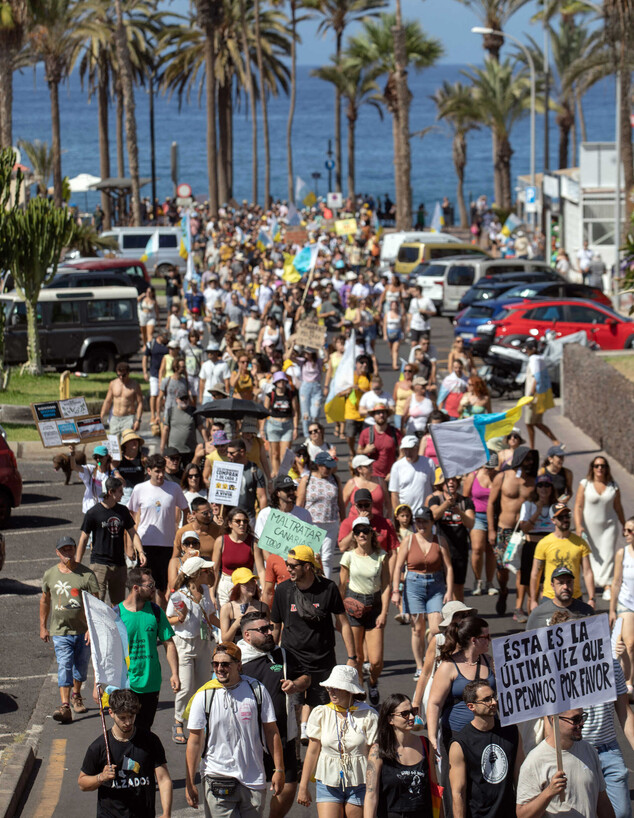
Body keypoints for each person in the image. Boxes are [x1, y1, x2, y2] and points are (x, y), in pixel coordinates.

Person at [549, 610, 634, 818]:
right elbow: (550, 721)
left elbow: (625, 714)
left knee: (621, 812)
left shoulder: (611, 666)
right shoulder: (557, 673)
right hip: (574, 750)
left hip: (608, 751)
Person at [271, 546, 357, 746]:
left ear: (308, 567)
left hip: (323, 662)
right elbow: (276, 626)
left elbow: (343, 623)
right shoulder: (283, 590)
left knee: (323, 713)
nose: (288, 569)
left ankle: (319, 758)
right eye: (287, 565)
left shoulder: (328, 588)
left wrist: (353, 658)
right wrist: (272, 659)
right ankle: (298, 760)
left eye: (293, 566)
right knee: (294, 711)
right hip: (292, 661)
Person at [185, 641, 284, 814]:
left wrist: (279, 769)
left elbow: (272, 732)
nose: (219, 668)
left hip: (253, 779)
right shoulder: (204, 695)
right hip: (216, 777)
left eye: (225, 664)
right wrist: (189, 782)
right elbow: (194, 740)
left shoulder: (257, 690)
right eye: (215, 664)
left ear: (239, 665)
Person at [238, 612, 311, 818]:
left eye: (269, 627)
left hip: (282, 733)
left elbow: (306, 677)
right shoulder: (236, 659)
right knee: (252, 789)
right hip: (249, 738)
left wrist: (296, 684)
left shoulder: (282, 655)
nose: (270, 632)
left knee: (289, 785)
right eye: (263, 630)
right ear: (247, 635)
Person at [297, 665, 378, 817]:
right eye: (329, 688)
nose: (331, 692)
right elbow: (312, 751)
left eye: (337, 688)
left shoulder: (368, 715)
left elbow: (375, 754)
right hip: (328, 782)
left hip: (359, 782)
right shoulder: (321, 713)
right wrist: (303, 786)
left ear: (350, 690)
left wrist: (375, 786)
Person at [78, 688, 173, 818]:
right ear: (111, 713)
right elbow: (82, 783)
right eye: (122, 718)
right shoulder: (98, 747)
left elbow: (163, 779)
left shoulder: (151, 741)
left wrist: (166, 813)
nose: (128, 722)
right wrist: (101, 777)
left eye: (131, 716)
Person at [40, 536, 100, 724]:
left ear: (75, 550)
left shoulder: (87, 575)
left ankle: (76, 694)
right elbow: (45, 600)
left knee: (80, 668)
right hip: (60, 631)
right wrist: (42, 626)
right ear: (57, 552)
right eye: (63, 550)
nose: (67, 553)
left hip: (82, 631)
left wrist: (92, 628)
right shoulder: (50, 574)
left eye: (70, 549)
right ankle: (65, 705)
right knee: (65, 664)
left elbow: (95, 604)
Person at [391, 507, 454, 680]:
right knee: (417, 629)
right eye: (418, 521)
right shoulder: (409, 541)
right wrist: (396, 591)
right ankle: (420, 666)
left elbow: (448, 567)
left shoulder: (439, 541)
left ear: (432, 523)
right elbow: (398, 566)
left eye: (424, 521)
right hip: (413, 586)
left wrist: (449, 590)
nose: (421, 525)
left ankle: (431, 658)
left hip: (435, 586)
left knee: (435, 628)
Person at [516, 709, 613, 818]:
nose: (581, 723)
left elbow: (602, 801)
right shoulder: (534, 761)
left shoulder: (588, 750)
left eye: (582, 717)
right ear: (554, 720)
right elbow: (522, 814)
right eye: (575, 720)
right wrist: (548, 793)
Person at [118, 566, 180, 730]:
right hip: (126, 683)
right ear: (136, 588)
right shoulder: (116, 614)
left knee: (144, 728)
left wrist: (174, 673)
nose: (154, 589)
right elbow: (105, 652)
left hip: (151, 682)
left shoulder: (156, 611)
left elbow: (169, 643)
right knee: (126, 728)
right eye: (150, 585)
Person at [449, 681, 522, 818]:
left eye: (493, 697)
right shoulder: (460, 743)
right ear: (471, 706)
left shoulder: (511, 732)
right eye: (486, 700)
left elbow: (520, 775)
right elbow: (458, 792)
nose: (493, 702)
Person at [426, 616, 494, 761]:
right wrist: (432, 736)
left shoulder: (489, 662)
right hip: (457, 734)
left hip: (488, 731)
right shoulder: (448, 667)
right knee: (456, 781)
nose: (490, 640)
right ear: (474, 640)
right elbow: (434, 703)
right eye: (486, 636)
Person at [166, 555, 218, 745]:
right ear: (196, 574)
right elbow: (168, 618)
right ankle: (178, 721)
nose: (209, 573)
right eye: (205, 570)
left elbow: (211, 616)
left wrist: (230, 630)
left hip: (203, 643)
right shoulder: (178, 595)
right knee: (185, 686)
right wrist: (179, 618)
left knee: (203, 684)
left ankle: (201, 720)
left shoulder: (204, 591)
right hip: (184, 644)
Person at [339, 518, 391, 705]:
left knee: (376, 661)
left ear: (371, 533)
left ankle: (373, 682)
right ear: (354, 535)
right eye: (358, 531)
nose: (362, 534)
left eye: (365, 530)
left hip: (374, 607)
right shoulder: (348, 556)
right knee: (358, 657)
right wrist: (339, 615)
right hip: (353, 606)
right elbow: (341, 587)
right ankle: (359, 690)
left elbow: (386, 586)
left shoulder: (381, 556)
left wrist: (384, 612)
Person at [128, 454, 190, 607]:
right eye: (156, 471)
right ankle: (142, 614)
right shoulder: (139, 489)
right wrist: (130, 545)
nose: (160, 474)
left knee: (162, 588)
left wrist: (182, 532)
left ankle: (161, 620)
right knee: (143, 585)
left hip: (167, 545)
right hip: (145, 544)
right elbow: (130, 517)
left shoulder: (174, 488)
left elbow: (186, 510)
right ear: (148, 471)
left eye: (162, 470)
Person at [364, 693, 439, 818]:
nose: (411, 717)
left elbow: (434, 787)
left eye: (412, 712)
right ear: (390, 719)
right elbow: (371, 795)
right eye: (404, 714)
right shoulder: (378, 751)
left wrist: (440, 815)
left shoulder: (426, 745)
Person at [76, 477, 146, 604]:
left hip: (119, 564)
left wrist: (141, 551)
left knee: (119, 605)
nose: (123, 494)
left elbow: (133, 533)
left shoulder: (123, 511)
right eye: (120, 491)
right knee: (97, 603)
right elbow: (83, 538)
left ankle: (116, 625)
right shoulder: (93, 513)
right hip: (100, 564)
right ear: (110, 492)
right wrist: (77, 564)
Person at [487, 446, 538, 615]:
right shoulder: (502, 477)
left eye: (532, 459)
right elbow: (490, 505)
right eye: (527, 459)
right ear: (519, 459)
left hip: (523, 532)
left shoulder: (533, 482)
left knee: (521, 569)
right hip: (504, 529)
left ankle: (519, 607)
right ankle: (503, 590)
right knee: (502, 569)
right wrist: (491, 530)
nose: (530, 462)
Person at [574, 455, 625, 601]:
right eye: (596, 466)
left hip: (609, 526)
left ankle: (607, 586)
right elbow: (578, 506)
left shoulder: (613, 486)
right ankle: (593, 584)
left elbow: (618, 507)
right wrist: (578, 526)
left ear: (607, 468)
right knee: (591, 556)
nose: (600, 468)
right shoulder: (585, 484)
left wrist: (624, 525)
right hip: (589, 529)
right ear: (592, 468)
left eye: (602, 466)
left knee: (608, 555)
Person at [529, 503, 595, 612]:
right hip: (550, 598)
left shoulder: (580, 543)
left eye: (567, 516)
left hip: (574, 598)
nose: (565, 519)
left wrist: (592, 598)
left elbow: (587, 572)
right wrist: (533, 600)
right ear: (553, 520)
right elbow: (535, 573)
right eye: (560, 517)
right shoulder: (544, 543)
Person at [513, 473, 558, 623]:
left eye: (547, 485)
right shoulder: (528, 505)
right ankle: (531, 613)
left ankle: (544, 615)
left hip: (550, 546)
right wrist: (537, 510)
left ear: (551, 488)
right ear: (536, 488)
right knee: (530, 582)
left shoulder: (555, 506)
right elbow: (524, 528)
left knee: (546, 582)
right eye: (540, 485)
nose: (544, 489)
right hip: (531, 545)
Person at [427, 472, 475, 602]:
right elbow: (434, 515)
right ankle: (441, 614)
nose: (451, 483)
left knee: (458, 586)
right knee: (439, 586)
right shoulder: (435, 499)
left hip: (460, 549)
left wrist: (459, 512)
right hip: (440, 550)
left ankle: (459, 615)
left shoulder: (466, 501)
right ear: (442, 484)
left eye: (454, 480)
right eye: (448, 481)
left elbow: (471, 523)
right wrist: (446, 505)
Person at [296, 452, 345, 580]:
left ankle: (326, 584)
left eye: (331, 467)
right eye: (326, 467)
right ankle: (311, 582)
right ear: (318, 465)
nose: (329, 470)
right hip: (312, 524)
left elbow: (341, 502)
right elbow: (299, 503)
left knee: (328, 557)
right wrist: (297, 524)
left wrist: (344, 523)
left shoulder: (335, 479)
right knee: (312, 556)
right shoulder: (307, 479)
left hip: (331, 523)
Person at [212, 506, 266, 606]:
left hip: (247, 585)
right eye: (238, 521)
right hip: (226, 584)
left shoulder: (253, 542)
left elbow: (261, 570)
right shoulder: (221, 541)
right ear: (229, 524)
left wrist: (264, 592)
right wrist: (212, 592)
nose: (242, 524)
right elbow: (214, 569)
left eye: (245, 521)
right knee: (225, 618)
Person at [463, 455, 498, 597]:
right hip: (477, 516)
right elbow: (465, 498)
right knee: (477, 548)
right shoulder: (473, 475)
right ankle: (477, 580)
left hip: (494, 517)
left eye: (492, 468)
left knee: (491, 550)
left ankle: (490, 582)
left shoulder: (498, 477)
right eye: (487, 467)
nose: (490, 470)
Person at [338, 488, 399, 559]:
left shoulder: (386, 523)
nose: (363, 508)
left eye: (366, 505)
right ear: (355, 506)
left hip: (381, 564)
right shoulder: (347, 523)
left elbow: (393, 552)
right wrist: (357, 525)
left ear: (372, 504)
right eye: (360, 506)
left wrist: (391, 570)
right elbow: (342, 547)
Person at [610, 518, 634, 695]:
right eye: (625, 530)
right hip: (626, 602)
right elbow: (616, 581)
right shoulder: (622, 553)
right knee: (629, 643)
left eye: (630, 531)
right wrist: (612, 609)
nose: (626, 534)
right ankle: (628, 681)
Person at [523, 338, 559, 450]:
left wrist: (530, 395)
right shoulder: (540, 358)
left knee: (529, 423)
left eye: (527, 348)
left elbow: (536, 378)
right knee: (537, 422)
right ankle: (555, 441)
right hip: (540, 394)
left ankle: (532, 448)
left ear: (532, 349)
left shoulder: (534, 359)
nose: (525, 351)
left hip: (534, 396)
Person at [388, 436, 436, 517]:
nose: (408, 452)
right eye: (405, 449)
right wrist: (398, 515)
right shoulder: (397, 466)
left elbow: (434, 488)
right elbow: (394, 494)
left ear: (417, 448)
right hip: (406, 517)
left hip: (425, 514)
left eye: (410, 449)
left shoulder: (429, 463)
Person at [219, 567, 270, 642]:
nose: (251, 585)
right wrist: (235, 625)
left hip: (259, 651)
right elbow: (225, 640)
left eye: (252, 581)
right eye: (246, 583)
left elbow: (270, 632)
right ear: (237, 586)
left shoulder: (263, 607)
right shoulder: (227, 608)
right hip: (238, 651)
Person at [264, 371, 300, 476]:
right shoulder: (270, 395)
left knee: (285, 454)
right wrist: (262, 429)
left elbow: (295, 412)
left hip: (287, 425)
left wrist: (296, 428)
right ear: (275, 382)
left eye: (283, 381)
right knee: (274, 453)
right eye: (279, 381)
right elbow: (265, 412)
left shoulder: (291, 394)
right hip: (273, 424)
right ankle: (276, 472)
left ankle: (283, 474)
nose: (281, 383)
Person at [225, 439, 268, 526]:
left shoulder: (254, 470)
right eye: (227, 452)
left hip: (248, 518)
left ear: (242, 452)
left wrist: (262, 519)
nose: (228, 455)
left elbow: (262, 496)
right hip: (230, 518)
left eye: (231, 453)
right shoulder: (226, 469)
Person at [357, 404, 401, 479]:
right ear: (373, 416)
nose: (381, 415)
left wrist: (394, 472)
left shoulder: (395, 433)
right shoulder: (366, 433)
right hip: (372, 476)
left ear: (387, 415)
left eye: (383, 412)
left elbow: (402, 454)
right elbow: (358, 451)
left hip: (391, 475)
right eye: (378, 413)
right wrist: (365, 450)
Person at [100, 362, 144, 437]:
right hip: (115, 418)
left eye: (123, 375)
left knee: (126, 443)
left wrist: (138, 420)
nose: (121, 377)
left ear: (128, 373)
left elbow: (140, 403)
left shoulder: (135, 385)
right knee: (114, 444)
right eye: (119, 375)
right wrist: (101, 416)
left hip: (128, 418)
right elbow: (107, 401)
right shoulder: (113, 384)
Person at [344, 355, 372, 457]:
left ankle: (360, 452)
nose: (364, 365)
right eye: (362, 362)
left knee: (363, 437)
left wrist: (360, 389)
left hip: (363, 411)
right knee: (350, 435)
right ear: (356, 364)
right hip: (351, 410)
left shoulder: (369, 377)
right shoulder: (349, 376)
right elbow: (339, 392)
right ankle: (352, 450)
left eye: (366, 363)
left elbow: (372, 393)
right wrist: (347, 391)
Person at [143, 332, 169, 429]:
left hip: (165, 374)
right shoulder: (151, 344)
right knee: (154, 394)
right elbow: (145, 358)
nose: (166, 339)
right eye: (164, 337)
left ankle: (164, 415)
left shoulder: (168, 344)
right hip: (154, 373)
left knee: (164, 396)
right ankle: (153, 415)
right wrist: (145, 372)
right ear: (159, 336)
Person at [382, 301, 405, 370]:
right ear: (391, 306)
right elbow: (385, 325)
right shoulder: (387, 314)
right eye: (393, 305)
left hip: (397, 333)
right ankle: (393, 360)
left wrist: (403, 334)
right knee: (391, 349)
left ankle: (394, 364)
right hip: (389, 333)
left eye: (395, 305)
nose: (394, 306)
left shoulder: (400, 315)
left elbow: (402, 325)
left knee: (396, 349)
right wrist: (385, 334)